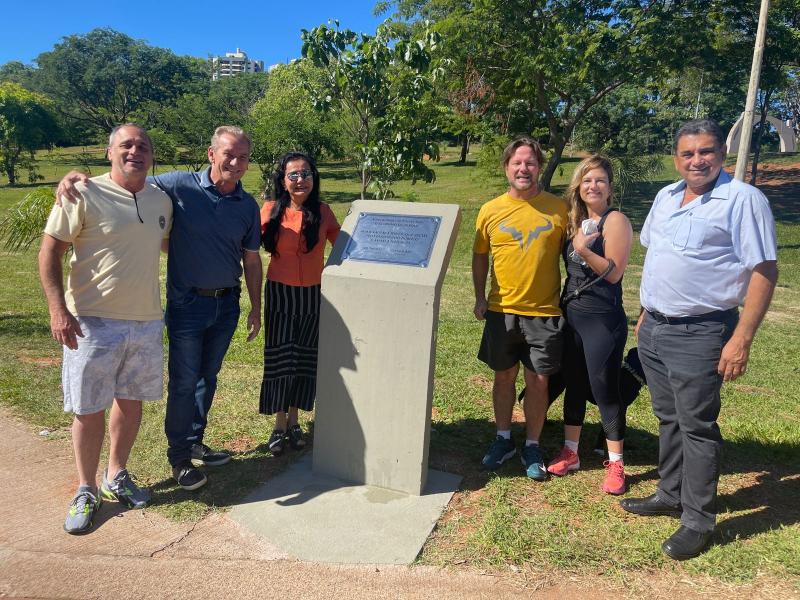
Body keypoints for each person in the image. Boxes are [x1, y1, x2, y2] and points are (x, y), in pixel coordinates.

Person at [56, 126, 263, 492]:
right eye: (229, 154)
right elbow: (128, 175)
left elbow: (251, 259)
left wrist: (255, 305)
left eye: (243, 157)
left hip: (226, 304)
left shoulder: (246, 205)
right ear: (211, 153)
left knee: (207, 378)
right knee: (184, 382)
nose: (236, 162)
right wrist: (74, 177)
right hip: (186, 304)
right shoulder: (178, 185)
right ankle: (179, 457)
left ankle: (194, 440)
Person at [621, 119, 778, 560]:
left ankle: (697, 520)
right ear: (676, 158)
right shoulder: (667, 196)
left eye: (706, 152)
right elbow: (659, 256)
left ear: (721, 155)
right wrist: (646, 313)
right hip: (655, 328)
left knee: (697, 426)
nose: (697, 160)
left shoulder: (743, 200)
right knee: (668, 417)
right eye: (688, 154)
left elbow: (764, 271)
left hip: (703, 331)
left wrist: (741, 338)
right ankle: (670, 493)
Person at [40, 124, 173, 533]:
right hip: (91, 323)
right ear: (108, 151)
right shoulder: (82, 192)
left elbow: (167, 242)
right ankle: (85, 488)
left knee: (131, 402)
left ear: (152, 156)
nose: (136, 151)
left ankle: (116, 474)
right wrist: (57, 309)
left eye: (143, 146)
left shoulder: (161, 199)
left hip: (146, 321)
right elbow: (50, 252)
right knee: (88, 407)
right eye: (127, 145)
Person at [472, 137, 568, 480]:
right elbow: (480, 254)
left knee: (539, 380)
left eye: (530, 163)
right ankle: (503, 438)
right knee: (503, 376)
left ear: (538, 167)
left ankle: (531, 443)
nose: (523, 169)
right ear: (506, 168)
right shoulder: (490, 211)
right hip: (502, 310)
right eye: (517, 163)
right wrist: (480, 297)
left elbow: (572, 256)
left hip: (545, 313)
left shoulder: (560, 210)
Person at [546, 155, 633, 495]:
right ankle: (571, 452)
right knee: (574, 384)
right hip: (572, 318)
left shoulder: (615, 221)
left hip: (602, 320)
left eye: (599, 180)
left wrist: (583, 247)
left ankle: (615, 463)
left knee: (604, 390)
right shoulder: (575, 221)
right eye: (586, 181)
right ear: (578, 188)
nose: (592, 186)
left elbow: (614, 273)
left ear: (610, 188)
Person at [259, 152, 340, 454]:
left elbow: (344, 247)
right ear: (283, 179)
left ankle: (295, 420)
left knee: (305, 356)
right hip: (280, 292)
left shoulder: (323, 212)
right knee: (281, 357)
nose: (300, 180)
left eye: (306, 173)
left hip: (312, 294)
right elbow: (245, 246)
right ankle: (279, 424)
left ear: (313, 178)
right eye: (293, 174)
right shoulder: (269, 210)